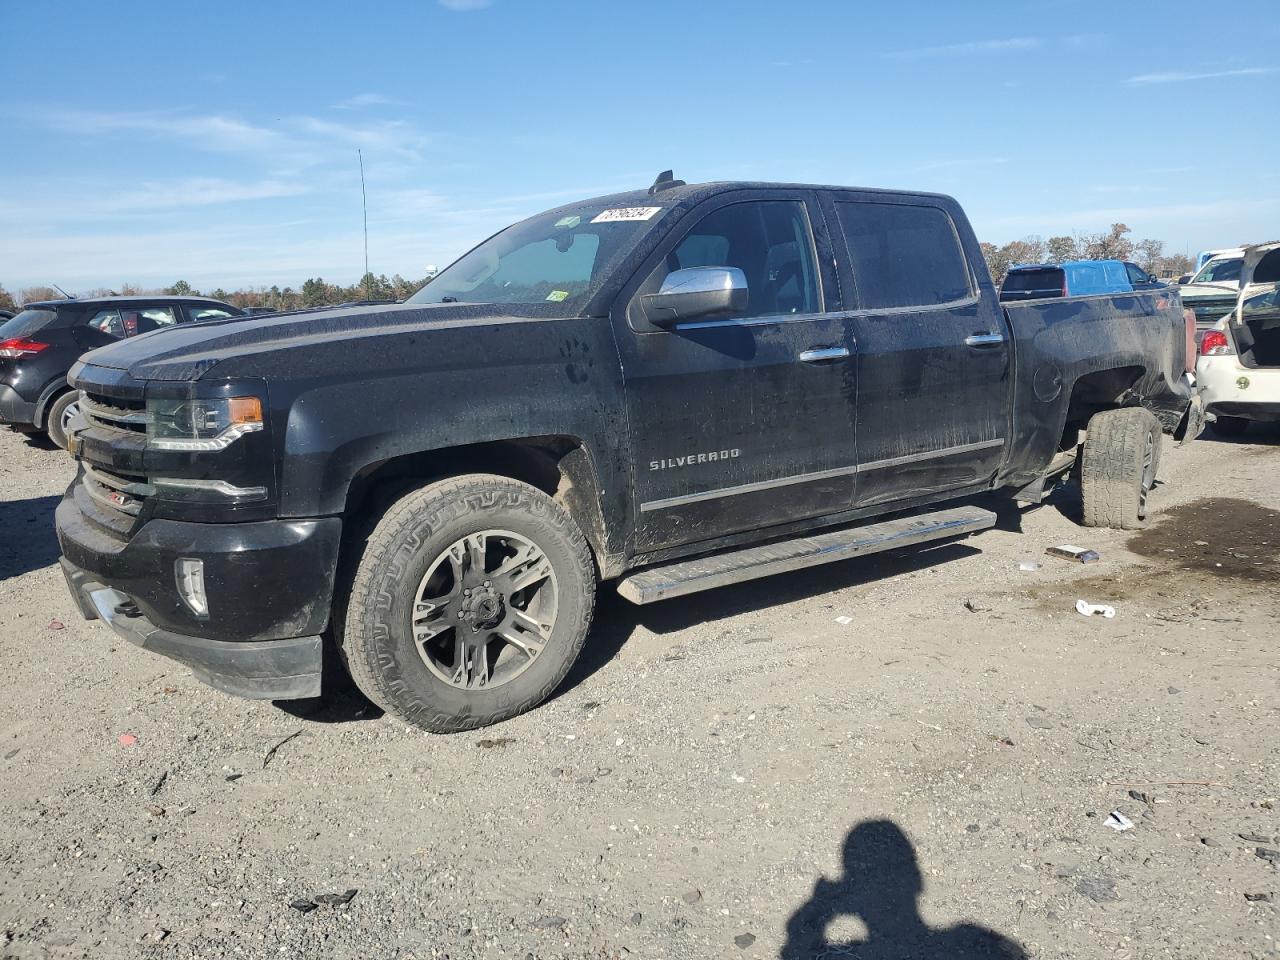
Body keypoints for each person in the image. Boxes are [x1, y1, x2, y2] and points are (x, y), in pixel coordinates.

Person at [782, 820, 1027, 959]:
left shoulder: (969, 936)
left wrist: (819, 906)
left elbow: (792, 947)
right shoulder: (973, 937)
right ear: (917, 882)